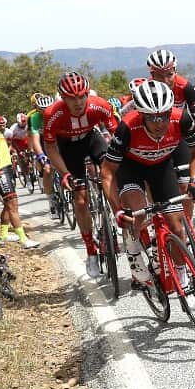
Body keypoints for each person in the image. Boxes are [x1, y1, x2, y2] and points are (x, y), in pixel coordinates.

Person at [102, 80, 195, 285]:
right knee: (139, 212)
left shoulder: (181, 119)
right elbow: (108, 172)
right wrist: (117, 210)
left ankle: (182, 277)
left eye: (164, 115)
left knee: (177, 227)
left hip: (162, 167)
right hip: (131, 168)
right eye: (152, 118)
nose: (160, 123)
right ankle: (133, 248)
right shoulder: (127, 127)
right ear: (142, 114)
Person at [43, 72, 119, 277]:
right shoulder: (52, 114)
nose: (78, 102)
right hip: (67, 148)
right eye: (71, 97)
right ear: (62, 97)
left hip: (91, 139)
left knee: (111, 174)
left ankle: (118, 217)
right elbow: (51, 149)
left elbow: (118, 134)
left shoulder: (99, 105)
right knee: (81, 199)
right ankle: (91, 253)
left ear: (87, 93)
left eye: (82, 96)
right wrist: (66, 174)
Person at [146, 49, 195, 226]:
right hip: (156, 141)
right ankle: (157, 220)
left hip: (179, 136)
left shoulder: (185, 87)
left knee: (185, 184)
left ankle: (187, 224)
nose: (165, 81)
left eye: (169, 75)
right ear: (151, 75)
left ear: (175, 71)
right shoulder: (146, 90)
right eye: (159, 76)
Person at [0, 97, 36, 248]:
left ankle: (4, 235)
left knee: (7, 203)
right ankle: (24, 239)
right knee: (13, 205)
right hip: (0, 169)